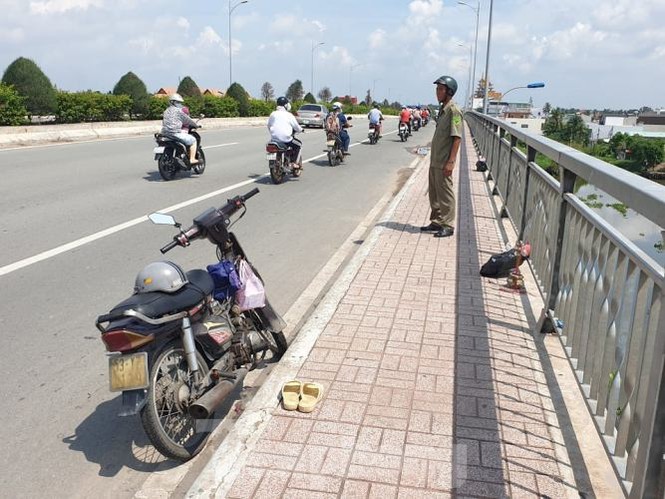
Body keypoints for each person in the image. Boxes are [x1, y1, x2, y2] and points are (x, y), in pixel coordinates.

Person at [420, 75, 462, 238]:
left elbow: (457, 137)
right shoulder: (442, 110)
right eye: (437, 89)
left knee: (445, 193)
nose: (437, 92)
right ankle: (437, 221)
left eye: (441, 89)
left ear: (449, 92)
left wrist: (451, 162)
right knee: (435, 192)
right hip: (435, 160)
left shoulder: (454, 111)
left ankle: (448, 225)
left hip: (444, 160)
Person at [161, 93, 200, 164]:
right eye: (178, 102)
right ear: (172, 102)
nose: (180, 104)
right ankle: (192, 159)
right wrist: (196, 125)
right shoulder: (179, 111)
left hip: (165, 133)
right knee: (193, 140)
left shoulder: (166, 111)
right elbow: (187, 120)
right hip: (175, 133)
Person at [267, 96, 303, 169]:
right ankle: (293, 163)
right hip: (286, 139)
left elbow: (269, 125)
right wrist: (301, 130)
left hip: (274, 139)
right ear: (286, 105)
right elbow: (296, 126)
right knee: (298, 144)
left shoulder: (273, 114)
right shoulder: (289, 115)